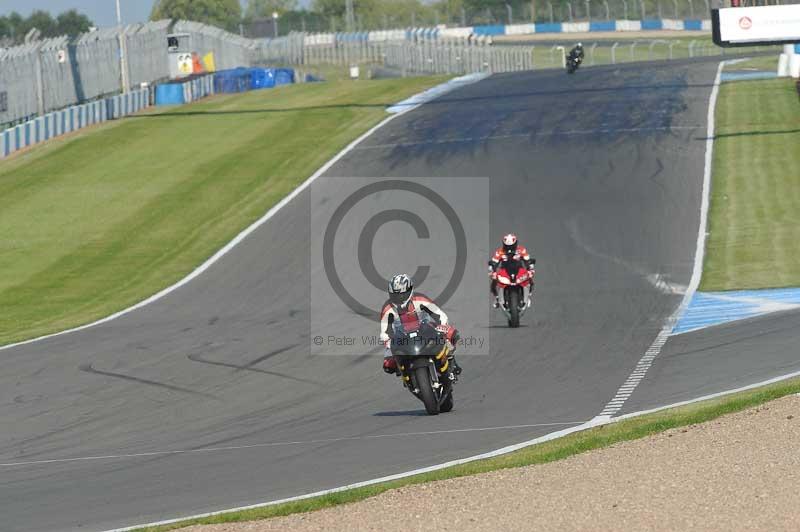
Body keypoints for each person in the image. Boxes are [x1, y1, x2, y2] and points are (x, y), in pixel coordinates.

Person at [380, 274, 461, 376]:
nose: (399, 298)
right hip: (402, 337)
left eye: (402, 295)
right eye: (395, 295)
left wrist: (443, 329)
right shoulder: (387, 308)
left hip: (425, 329)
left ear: (410, 291)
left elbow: (440, 316)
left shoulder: (420, 299)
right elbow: (385, 333)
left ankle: (450, 359)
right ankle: (405, 373)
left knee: (452, 333)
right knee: (388, 365)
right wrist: (390, 344)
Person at [488, 233, 536, 308]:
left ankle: (528, 294)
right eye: (507, 246)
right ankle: (497, 297)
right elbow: (494, 261)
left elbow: (527, 259)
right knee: (494, 278)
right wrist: (492, 268)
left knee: (529, 275)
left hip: (519, 269)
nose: (509, 248)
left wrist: (530, 266)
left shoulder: (521, 250)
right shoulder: (500, 252)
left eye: (511, 246)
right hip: (504, 270)